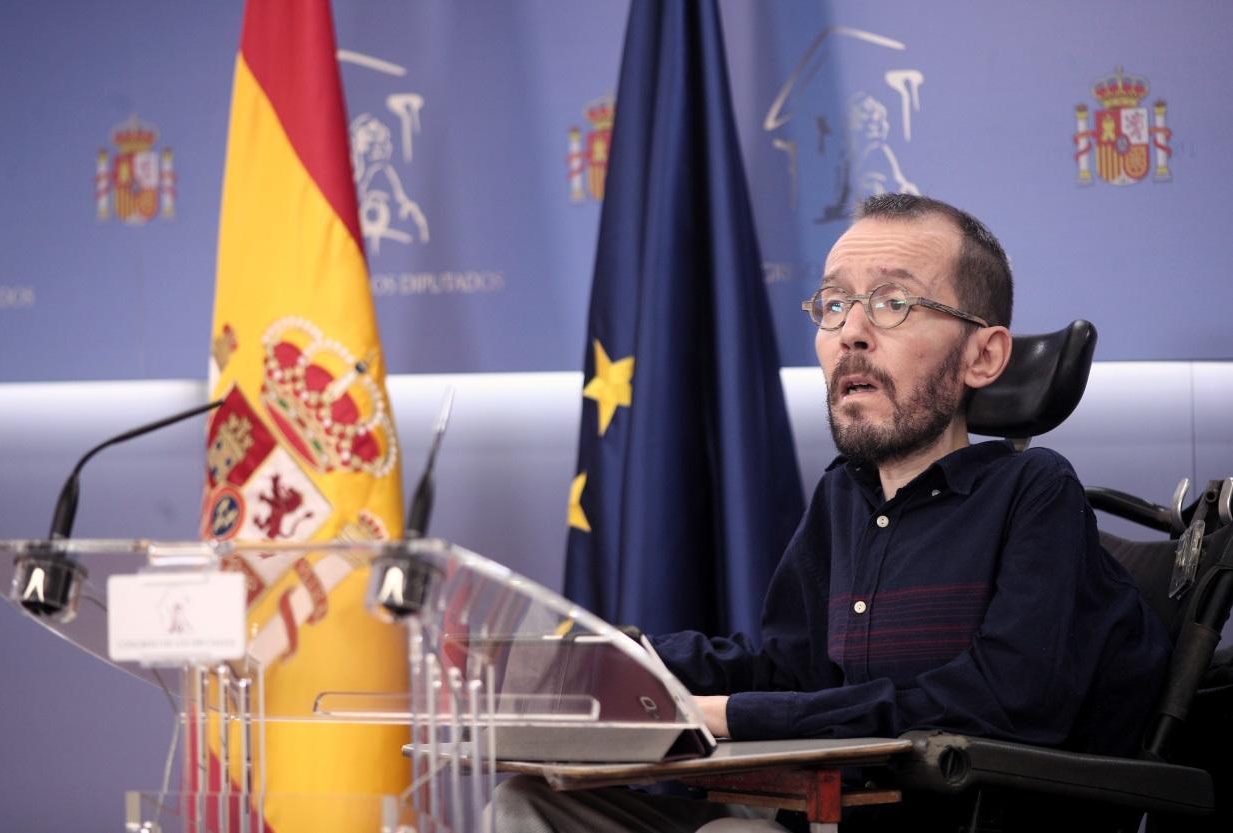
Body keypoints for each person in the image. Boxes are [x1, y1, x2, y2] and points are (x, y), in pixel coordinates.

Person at [494, 194, 1171, 832]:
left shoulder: (1034, 492)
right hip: (817, 817)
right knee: (531, 803)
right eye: (835, 303)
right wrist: (618, 663)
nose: (851, 332)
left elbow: (999, 700)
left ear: (984, 355)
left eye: (893, 302)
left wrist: (730, 717)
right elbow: (786, 671)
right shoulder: (843, 496)